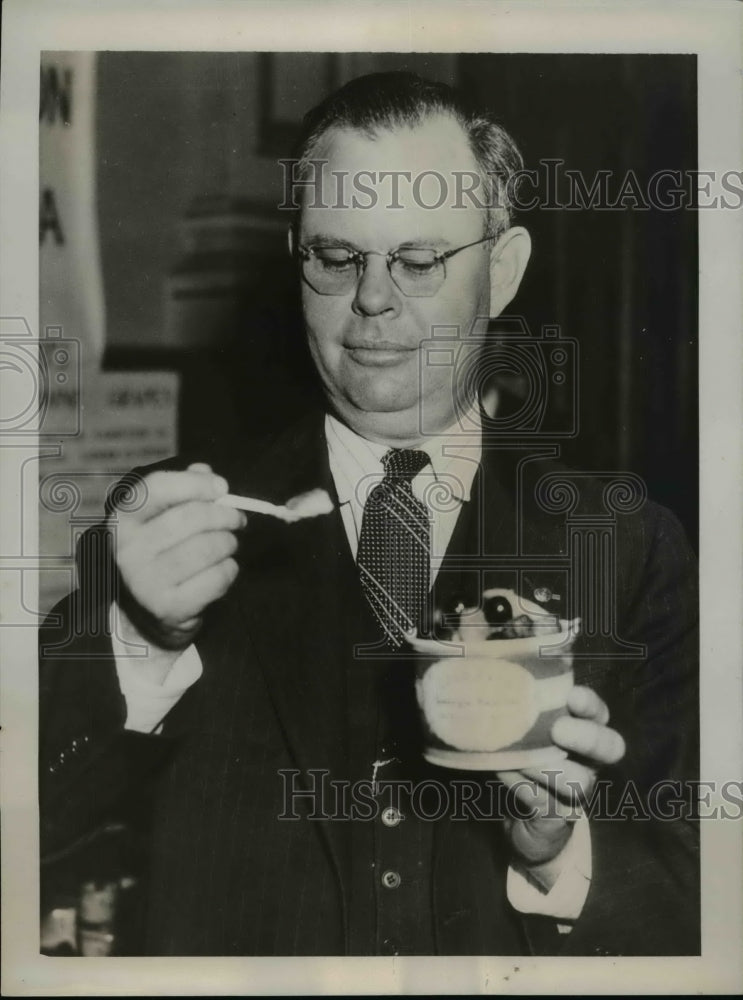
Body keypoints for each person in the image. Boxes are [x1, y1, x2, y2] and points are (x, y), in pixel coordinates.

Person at [40, 71, 699, 956]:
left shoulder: (627, 548)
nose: (373, 301)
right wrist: (141, 640)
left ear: (500, 272)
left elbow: (699, 902)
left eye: (419, 261)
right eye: (336, 257)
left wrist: (557, 854)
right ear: (296, 257)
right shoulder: (167, 523)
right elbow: (33, 827)